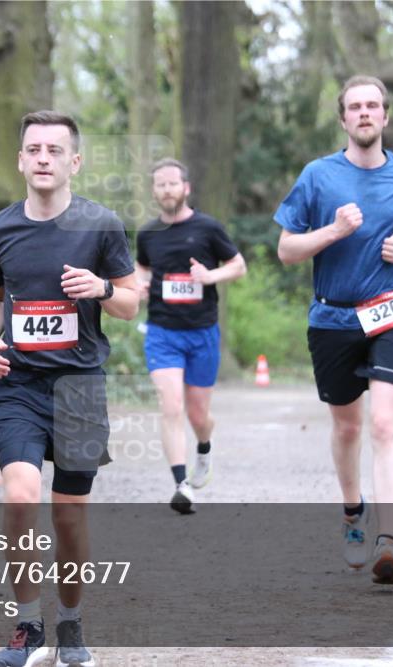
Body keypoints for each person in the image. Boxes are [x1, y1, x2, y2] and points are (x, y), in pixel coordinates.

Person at [0, 110, 138, 667]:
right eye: (33, 149)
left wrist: (98, 288)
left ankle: (70, 624)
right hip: (17, 384)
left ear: (75, 161)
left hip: (79, 388)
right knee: (20, 496)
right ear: (21, 160)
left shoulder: (101, 226)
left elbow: (129, 301)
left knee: (69, 518)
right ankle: (27, 626)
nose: (43, 158)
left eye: (54, 149)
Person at [274, 75, 393, 584]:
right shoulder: (318, 176)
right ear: (343, 118)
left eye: (373, 105)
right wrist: (334, 231)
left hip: (391, 310)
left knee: (385, 425)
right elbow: (286, 250)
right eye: (355, 107)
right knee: (347, 426)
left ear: (386, 117)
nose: (365, 113)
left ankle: (388, 540)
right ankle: (353, 511)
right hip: (332, 317)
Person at [136, 159, 245, 514]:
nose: (167, 190)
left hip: (202, 333)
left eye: (173, 183)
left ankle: (204, 446)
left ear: (186, 188)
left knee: (198, 415)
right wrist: (139, 284)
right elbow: (142, 268)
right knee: (170, 405)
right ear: (154, 191)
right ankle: (181, 484)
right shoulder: (148, 234)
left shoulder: (208, 228)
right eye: (160, 185)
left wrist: (209, 277)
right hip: (162, 333)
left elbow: (238, 266)